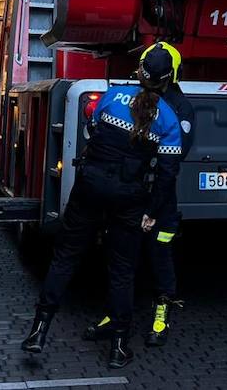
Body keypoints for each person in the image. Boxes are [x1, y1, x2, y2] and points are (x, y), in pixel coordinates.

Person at [20, 46, 186, 369]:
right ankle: (119, 348)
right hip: (129, 198)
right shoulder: (168, 118)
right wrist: (152, 212)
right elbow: (167, 172)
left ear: (139, 71)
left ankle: (38, 331)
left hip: (90, 188)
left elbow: (92, 132)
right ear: (168, 80)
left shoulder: (112, 97)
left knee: (65, 258)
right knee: (122, 270)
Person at [84, 42, 193, 347]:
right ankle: (115, 315)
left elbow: (173, 161)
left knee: (160, 255)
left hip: (158, 200)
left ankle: (161, 315)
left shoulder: (179, 108)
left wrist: (154, 210)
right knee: (121, 259)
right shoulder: (135, 98)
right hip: (131, 195)